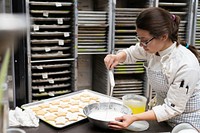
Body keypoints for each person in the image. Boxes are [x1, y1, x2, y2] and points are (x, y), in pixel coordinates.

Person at [104, 7, 200, 130]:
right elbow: (132, 52)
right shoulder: (153, 48)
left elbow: (172, 108)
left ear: (163, 37)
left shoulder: (185, 65)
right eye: (139, 39)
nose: (141, 45)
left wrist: (134, 117)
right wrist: (117, 57)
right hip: (162, 117)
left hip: (188, 123)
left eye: (144, 40)